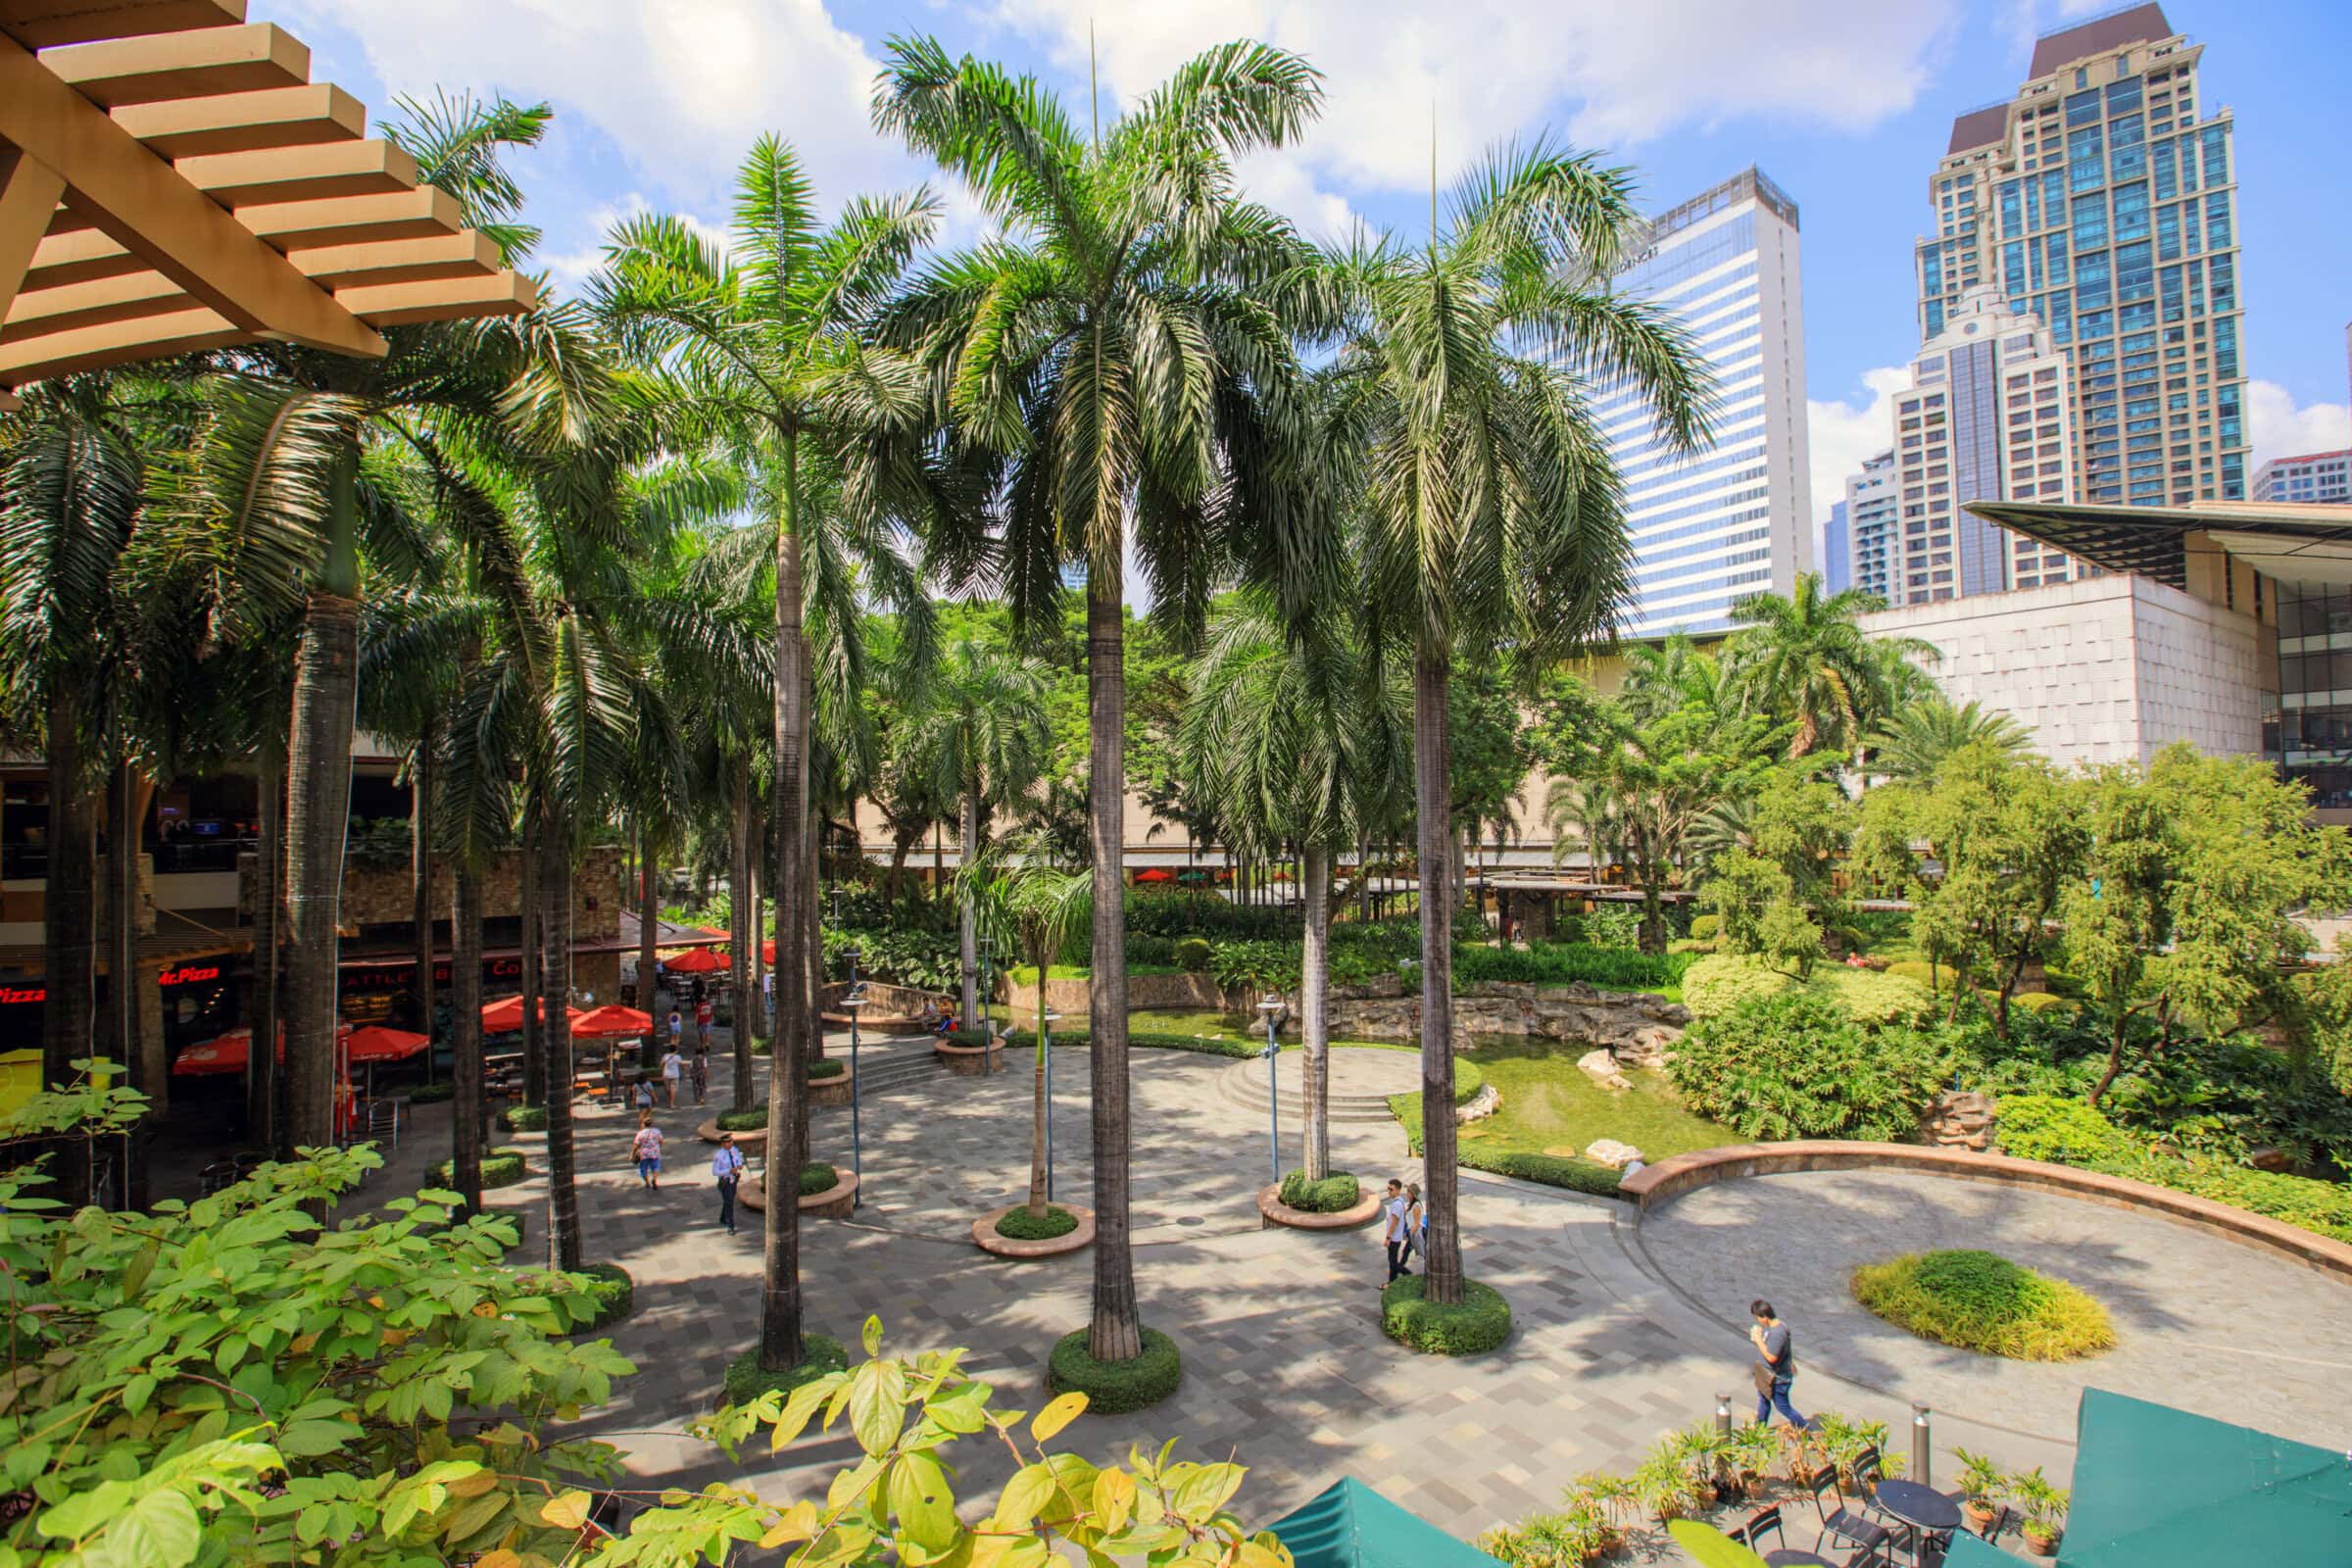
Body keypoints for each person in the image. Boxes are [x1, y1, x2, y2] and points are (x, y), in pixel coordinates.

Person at [1748, 1298, 1806, 1429]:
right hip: (1766, 1375)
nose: (1757, 1321)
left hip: (1777, 1380)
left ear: (1764, 1317)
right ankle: (1759, 1429)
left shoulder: (1777, 1333)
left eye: (1757, 1317)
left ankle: (1808, 1429)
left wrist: (1758, 1340)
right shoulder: (1776, 1327)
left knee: (1783, 1408)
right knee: (1763, 1400)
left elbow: (1771, 1357)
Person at [710, 1132, 746, 1234]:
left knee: (729, 1201)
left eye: (731, 1142)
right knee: (729, 1203)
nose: (730, 1144)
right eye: (728, 1142)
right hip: (725, 1182)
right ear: (722, 1144)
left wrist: (739, 1165)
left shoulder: (734, 1150)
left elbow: (738, 1159)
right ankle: (730, 1225)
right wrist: (729, 1171)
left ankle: (723, 1218)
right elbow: (715, 1171)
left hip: (734, 1180)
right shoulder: (719, 1156)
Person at [1381, 1179, 1411, 1284]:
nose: (1389, 1191)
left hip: (1394, 1238)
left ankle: (1407, 1273)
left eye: (1391, 1189)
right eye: (1388, 1189)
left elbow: (1394, 1222)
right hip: (1395, 1237)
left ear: (1398, 1190)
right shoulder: (1399, 1202)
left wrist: (1388, 1238)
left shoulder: (1397, 1205)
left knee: (1393, 1262)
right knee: (1392, 1261)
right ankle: (1392, 1281)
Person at [631, 1111, 663, 1191]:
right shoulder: (657, 1131)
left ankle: (647, 1183)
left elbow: (636, 1144)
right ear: (651, 1124)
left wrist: (632, 1153)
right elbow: (661, 1141)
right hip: (655, 1152)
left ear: (643, 1124)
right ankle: (654, 1179)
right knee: (656, 1167)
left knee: (643, 1169)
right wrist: (658, 1146)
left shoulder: (640, 1133)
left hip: (644, 1153)